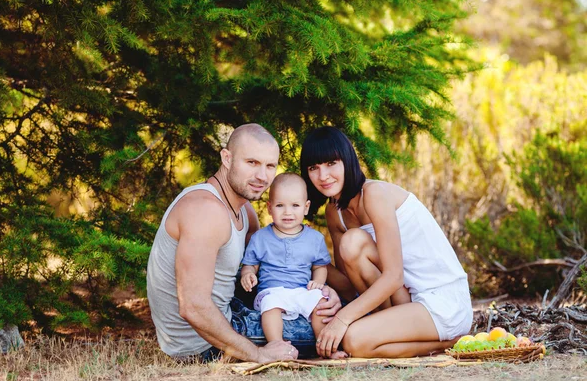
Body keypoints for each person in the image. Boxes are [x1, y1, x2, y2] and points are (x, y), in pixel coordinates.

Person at [146, 123, 342, 363]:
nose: (262, 176)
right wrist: (258, 354)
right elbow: (193, 307)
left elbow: (262, 272)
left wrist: (320, 292)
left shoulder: (244, 210)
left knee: (325, 313)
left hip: (228, 312)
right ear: (226, 158)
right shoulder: (205, 210)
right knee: (342, 331)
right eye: (251, 163)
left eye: (270, 166)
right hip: (202, 344)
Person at [299, 126, 473, 359]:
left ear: (347, 160)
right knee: (355, 344)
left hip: (441, 301)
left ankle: (448, 341)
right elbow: (350, 283)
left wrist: (342, 319)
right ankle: (420, 338)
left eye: (331, 163)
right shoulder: (335, 212)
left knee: (351, 335)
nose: (323, 176)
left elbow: (394, 276)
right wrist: (307, 257)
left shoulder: (374, 194)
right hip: (405, 301)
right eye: (314, 168)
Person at [240, 173, 348, 359]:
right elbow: (250, 264)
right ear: (269, 208)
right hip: (273, 290)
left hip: (302, 290)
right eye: (280, 205)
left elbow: (320, 266)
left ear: (306, 207)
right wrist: (248, 274)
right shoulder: (261, 238)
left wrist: (318, 282)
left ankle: (325, 347)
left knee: (320, 303)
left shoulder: (314, 238)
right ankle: (277, 345)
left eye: (295, 206)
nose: (288, 212)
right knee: (270, 306)